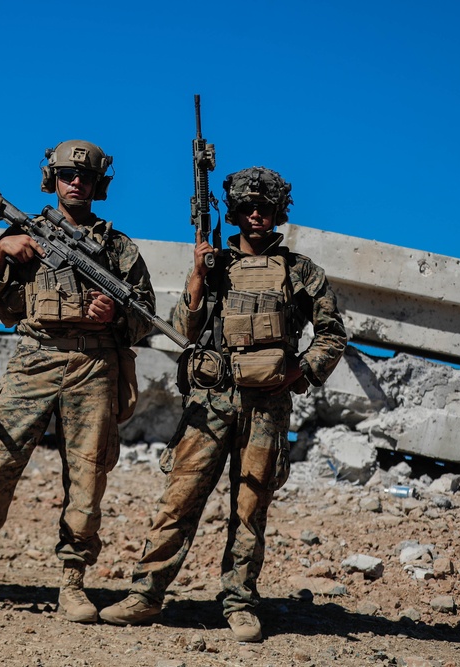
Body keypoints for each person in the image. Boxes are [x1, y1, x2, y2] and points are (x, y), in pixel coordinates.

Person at [99, 167, 348, 640]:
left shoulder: (301, 271)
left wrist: (298, 372)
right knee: (179, 499)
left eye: (266, 208)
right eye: (248, 207)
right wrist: (196, 276)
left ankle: (239, 602)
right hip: (209, 403)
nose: (256, 216)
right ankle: (146, 593)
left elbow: (332, 334)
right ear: (232, 211)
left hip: (267, 407)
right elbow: (179, 330)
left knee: (250, 506)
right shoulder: (213, 265)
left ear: (278, 213)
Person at [0, 140, 155, 624]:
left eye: (85, 177)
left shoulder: (117, 248)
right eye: (68, 175)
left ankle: (72, 582)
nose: (76, 183)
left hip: (93, 367)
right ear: (53, 179)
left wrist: (114, 316)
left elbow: (147, 317)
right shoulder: (23, 232)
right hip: (34, 361)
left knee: (87, 478)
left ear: (98, 184)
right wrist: (3, 251)